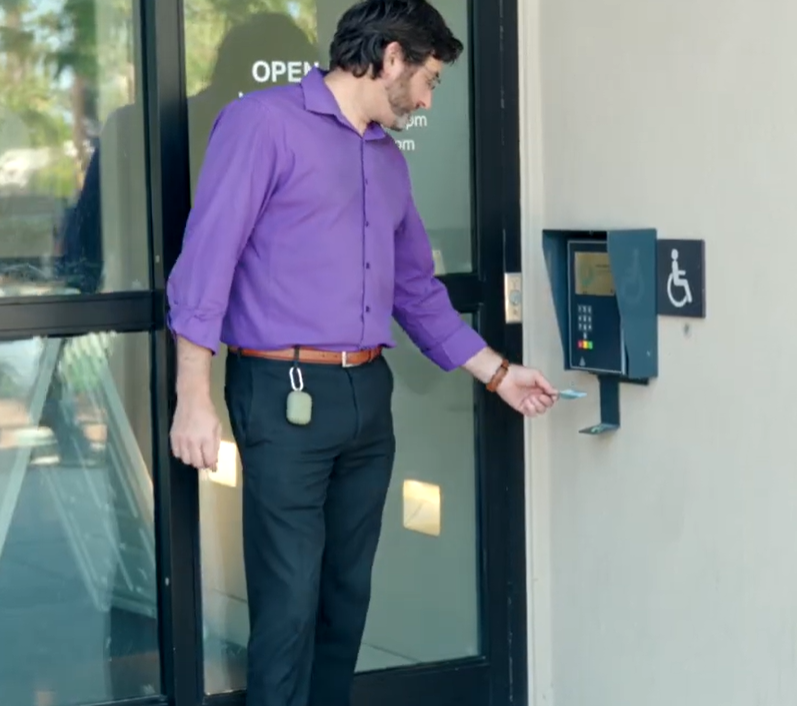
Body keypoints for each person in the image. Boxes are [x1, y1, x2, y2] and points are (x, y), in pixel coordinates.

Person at [166, 1, 559, 704]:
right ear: (390, 58)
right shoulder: (263, 124)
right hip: (278, 391)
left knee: (345, 599)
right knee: (288, 601)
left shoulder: (382, 157)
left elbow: (415, 291)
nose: (430, 96)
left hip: (365, 395)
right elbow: (205, 265)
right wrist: (192, 397)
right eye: (429, 77)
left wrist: (497, 374)